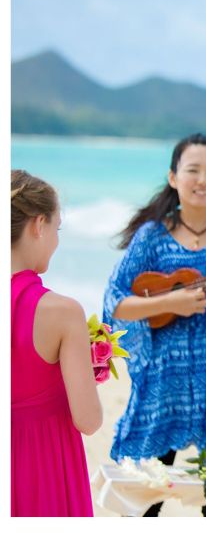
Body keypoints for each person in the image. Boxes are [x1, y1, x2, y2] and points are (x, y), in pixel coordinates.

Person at [103, 133, 206, 517]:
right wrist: (171, 302)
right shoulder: (152, 237)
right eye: (193, 170)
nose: (203, 179)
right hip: (162, 386)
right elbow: (115, 303)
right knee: (144, 500)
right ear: (173, 177)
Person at [11, 170, 102, 516]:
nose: (56, 240)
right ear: (38, 225)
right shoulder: (62, 312)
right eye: (57, 228)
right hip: (45, 465)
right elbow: (88, 420)